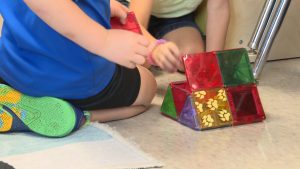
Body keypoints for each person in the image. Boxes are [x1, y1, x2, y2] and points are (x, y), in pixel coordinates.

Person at [0, 0, 157, 137]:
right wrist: (105, 40)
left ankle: (19, 100)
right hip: (76, 79)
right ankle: (78, 116)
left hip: (13, 68)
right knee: (148, 85)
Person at [125, 0, 230, 71]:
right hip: (129, 11)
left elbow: (219, 8)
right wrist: (154, 48)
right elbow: (135, 23)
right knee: (140, 60)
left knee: (190, 59)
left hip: (174, 15)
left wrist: (212, 64)